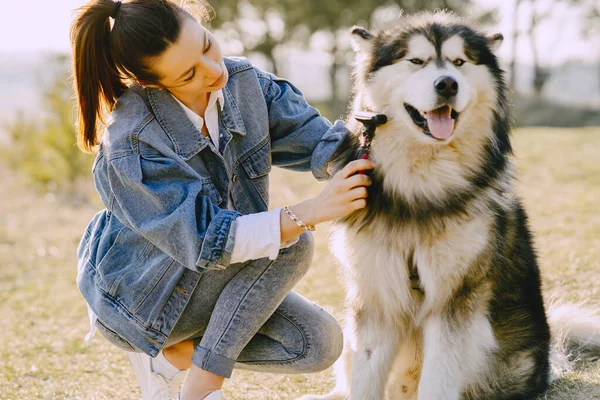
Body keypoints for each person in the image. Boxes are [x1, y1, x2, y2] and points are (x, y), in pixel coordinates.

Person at [71, 0, 374, 399]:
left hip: (212, 284)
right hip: (138, 301)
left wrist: (384, 144)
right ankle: (202, 386)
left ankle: (172, 357)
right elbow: (209, 241)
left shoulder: (245, 83)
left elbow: (325, 145)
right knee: (292, 240)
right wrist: (313, 210)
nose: (215, 72)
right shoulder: (131, 141)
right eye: (189, 74)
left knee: (317, 343)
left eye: (207, 46)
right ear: (152, 84)